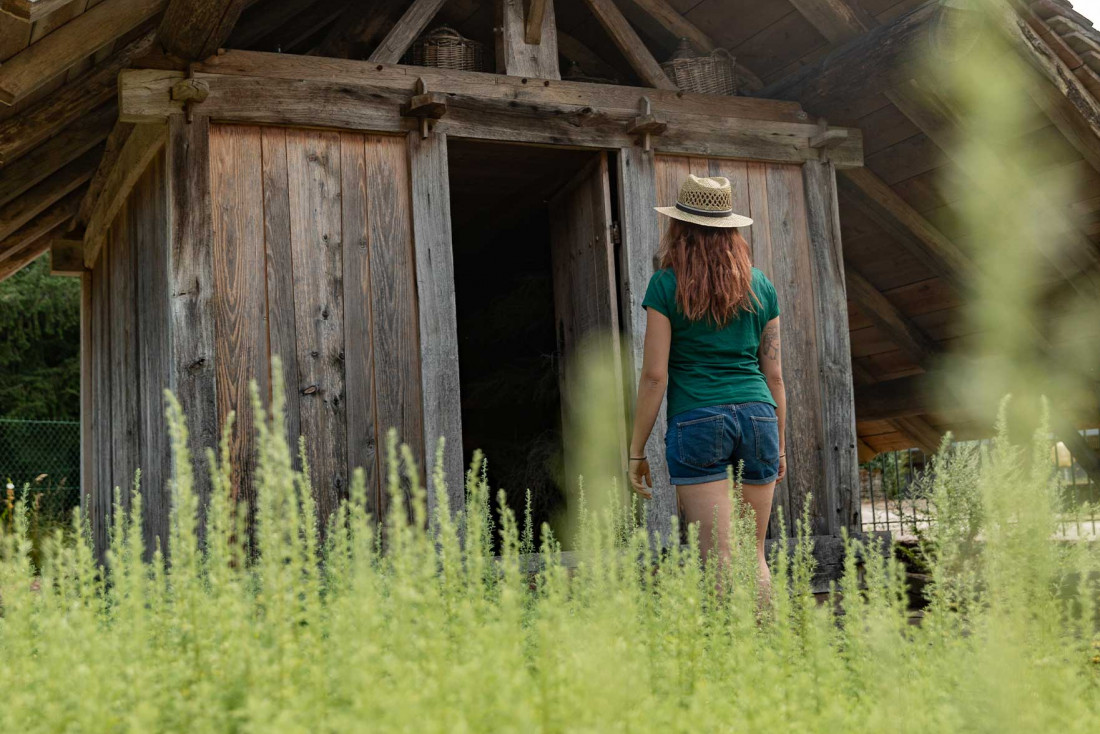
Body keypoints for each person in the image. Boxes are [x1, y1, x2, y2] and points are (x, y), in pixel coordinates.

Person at [628, 174, 785, 593]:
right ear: (731, 228)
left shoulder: (665, 284)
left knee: (719, 559)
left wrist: (635, 450)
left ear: (678, 227)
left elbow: (655, 375)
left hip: (697, 419)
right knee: (754, 556)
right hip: (758, 416)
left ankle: (727, 656)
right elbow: (773, 375)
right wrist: (780, 444)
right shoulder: (761, 284)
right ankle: (771, 655)